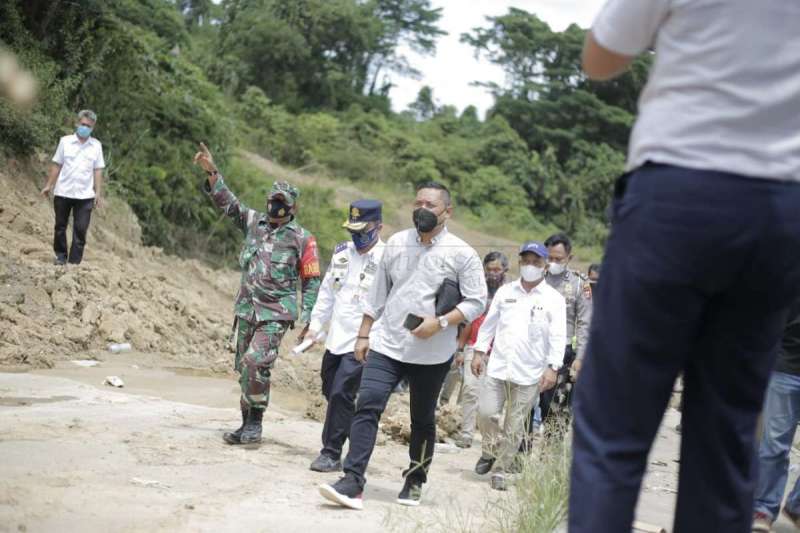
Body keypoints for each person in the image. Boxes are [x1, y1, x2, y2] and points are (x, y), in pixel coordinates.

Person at [572, 1, 800, 531]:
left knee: (615, 429)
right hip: (780, 207)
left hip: (679, 189)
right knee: (726, 438)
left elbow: (600, 58)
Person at [318, 181, 487, 510]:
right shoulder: (396, 243)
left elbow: (477, 301)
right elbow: (378, 293)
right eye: (418, 202)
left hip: (432, 352)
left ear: (447, 212)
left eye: (431, 205)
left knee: (422, 418)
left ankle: (415, 479)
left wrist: (440, 323)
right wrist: (364, 333)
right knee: (367, 405)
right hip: (388, 344)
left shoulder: (462, 253)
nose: (422, 209)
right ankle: (353, 481)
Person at [193, 143, 321, 446]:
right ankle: (244, 424)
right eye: (272, 200)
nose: (275, 206)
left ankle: (256, 423)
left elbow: (312, 280)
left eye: (282, 202)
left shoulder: (302, 239)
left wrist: (308, 316)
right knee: (244, 369)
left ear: (293, 207)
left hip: (275, 314)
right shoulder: (254, 223)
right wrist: (212, 172)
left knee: (255, 362)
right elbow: (228, 203)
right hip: (247, 310)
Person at [471, 241, 566, 491]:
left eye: (537, 262)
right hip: (499, 366)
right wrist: (479, 351)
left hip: (530, 372)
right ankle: (490, 450)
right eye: (527, 261)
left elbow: (558, 336)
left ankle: (500, 469)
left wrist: (553, 367)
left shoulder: (553, 299)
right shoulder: (506, 292)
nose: (531, 266)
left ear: (545, 266)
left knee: (515, 424)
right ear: (520, 262)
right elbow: (489, 324)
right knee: (485, 412)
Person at [305, 200, 386, 473]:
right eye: (353, 229)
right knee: (331, 389)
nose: (357, 236)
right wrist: (315, 325)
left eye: (362, 230)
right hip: (336, 338)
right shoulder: (342, 252)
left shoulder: (388, 259)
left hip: (364, 340)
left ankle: (330, 453)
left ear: (378, 227)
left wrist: (375, 338)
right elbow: (328, 292)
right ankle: (357, 429)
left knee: (341, 392)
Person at [452, 251, 510, 449]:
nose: (493, 273)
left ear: (505, 270)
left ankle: (490, 440)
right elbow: (467, 321)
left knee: (491, 400)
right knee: (469, 388)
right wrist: (460, 349)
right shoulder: (477, 290)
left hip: (500, 352)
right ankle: (466, 433)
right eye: (489, 269)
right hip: (474, 347)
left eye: (497, 269)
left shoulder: (511, 293)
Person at [752, 301, 800, 532]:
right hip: (786, 366)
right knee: (775, 445)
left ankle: (797, 506)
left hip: (784, 364)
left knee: (774, 444)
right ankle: (763, 508)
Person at [40, 110, 105, 265]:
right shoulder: (65, 142)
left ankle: (74, 263)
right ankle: (61, 256)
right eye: (83, 124)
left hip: (85, 195)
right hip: (63, 191)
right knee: (60, 226)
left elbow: (98, 170)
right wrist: (49, 185)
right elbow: (57, 165)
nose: (85, 127)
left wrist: (98, 192)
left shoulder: (96, 146)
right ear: (77, 123)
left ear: (93, 127)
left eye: (88, 126)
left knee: (80, 230)